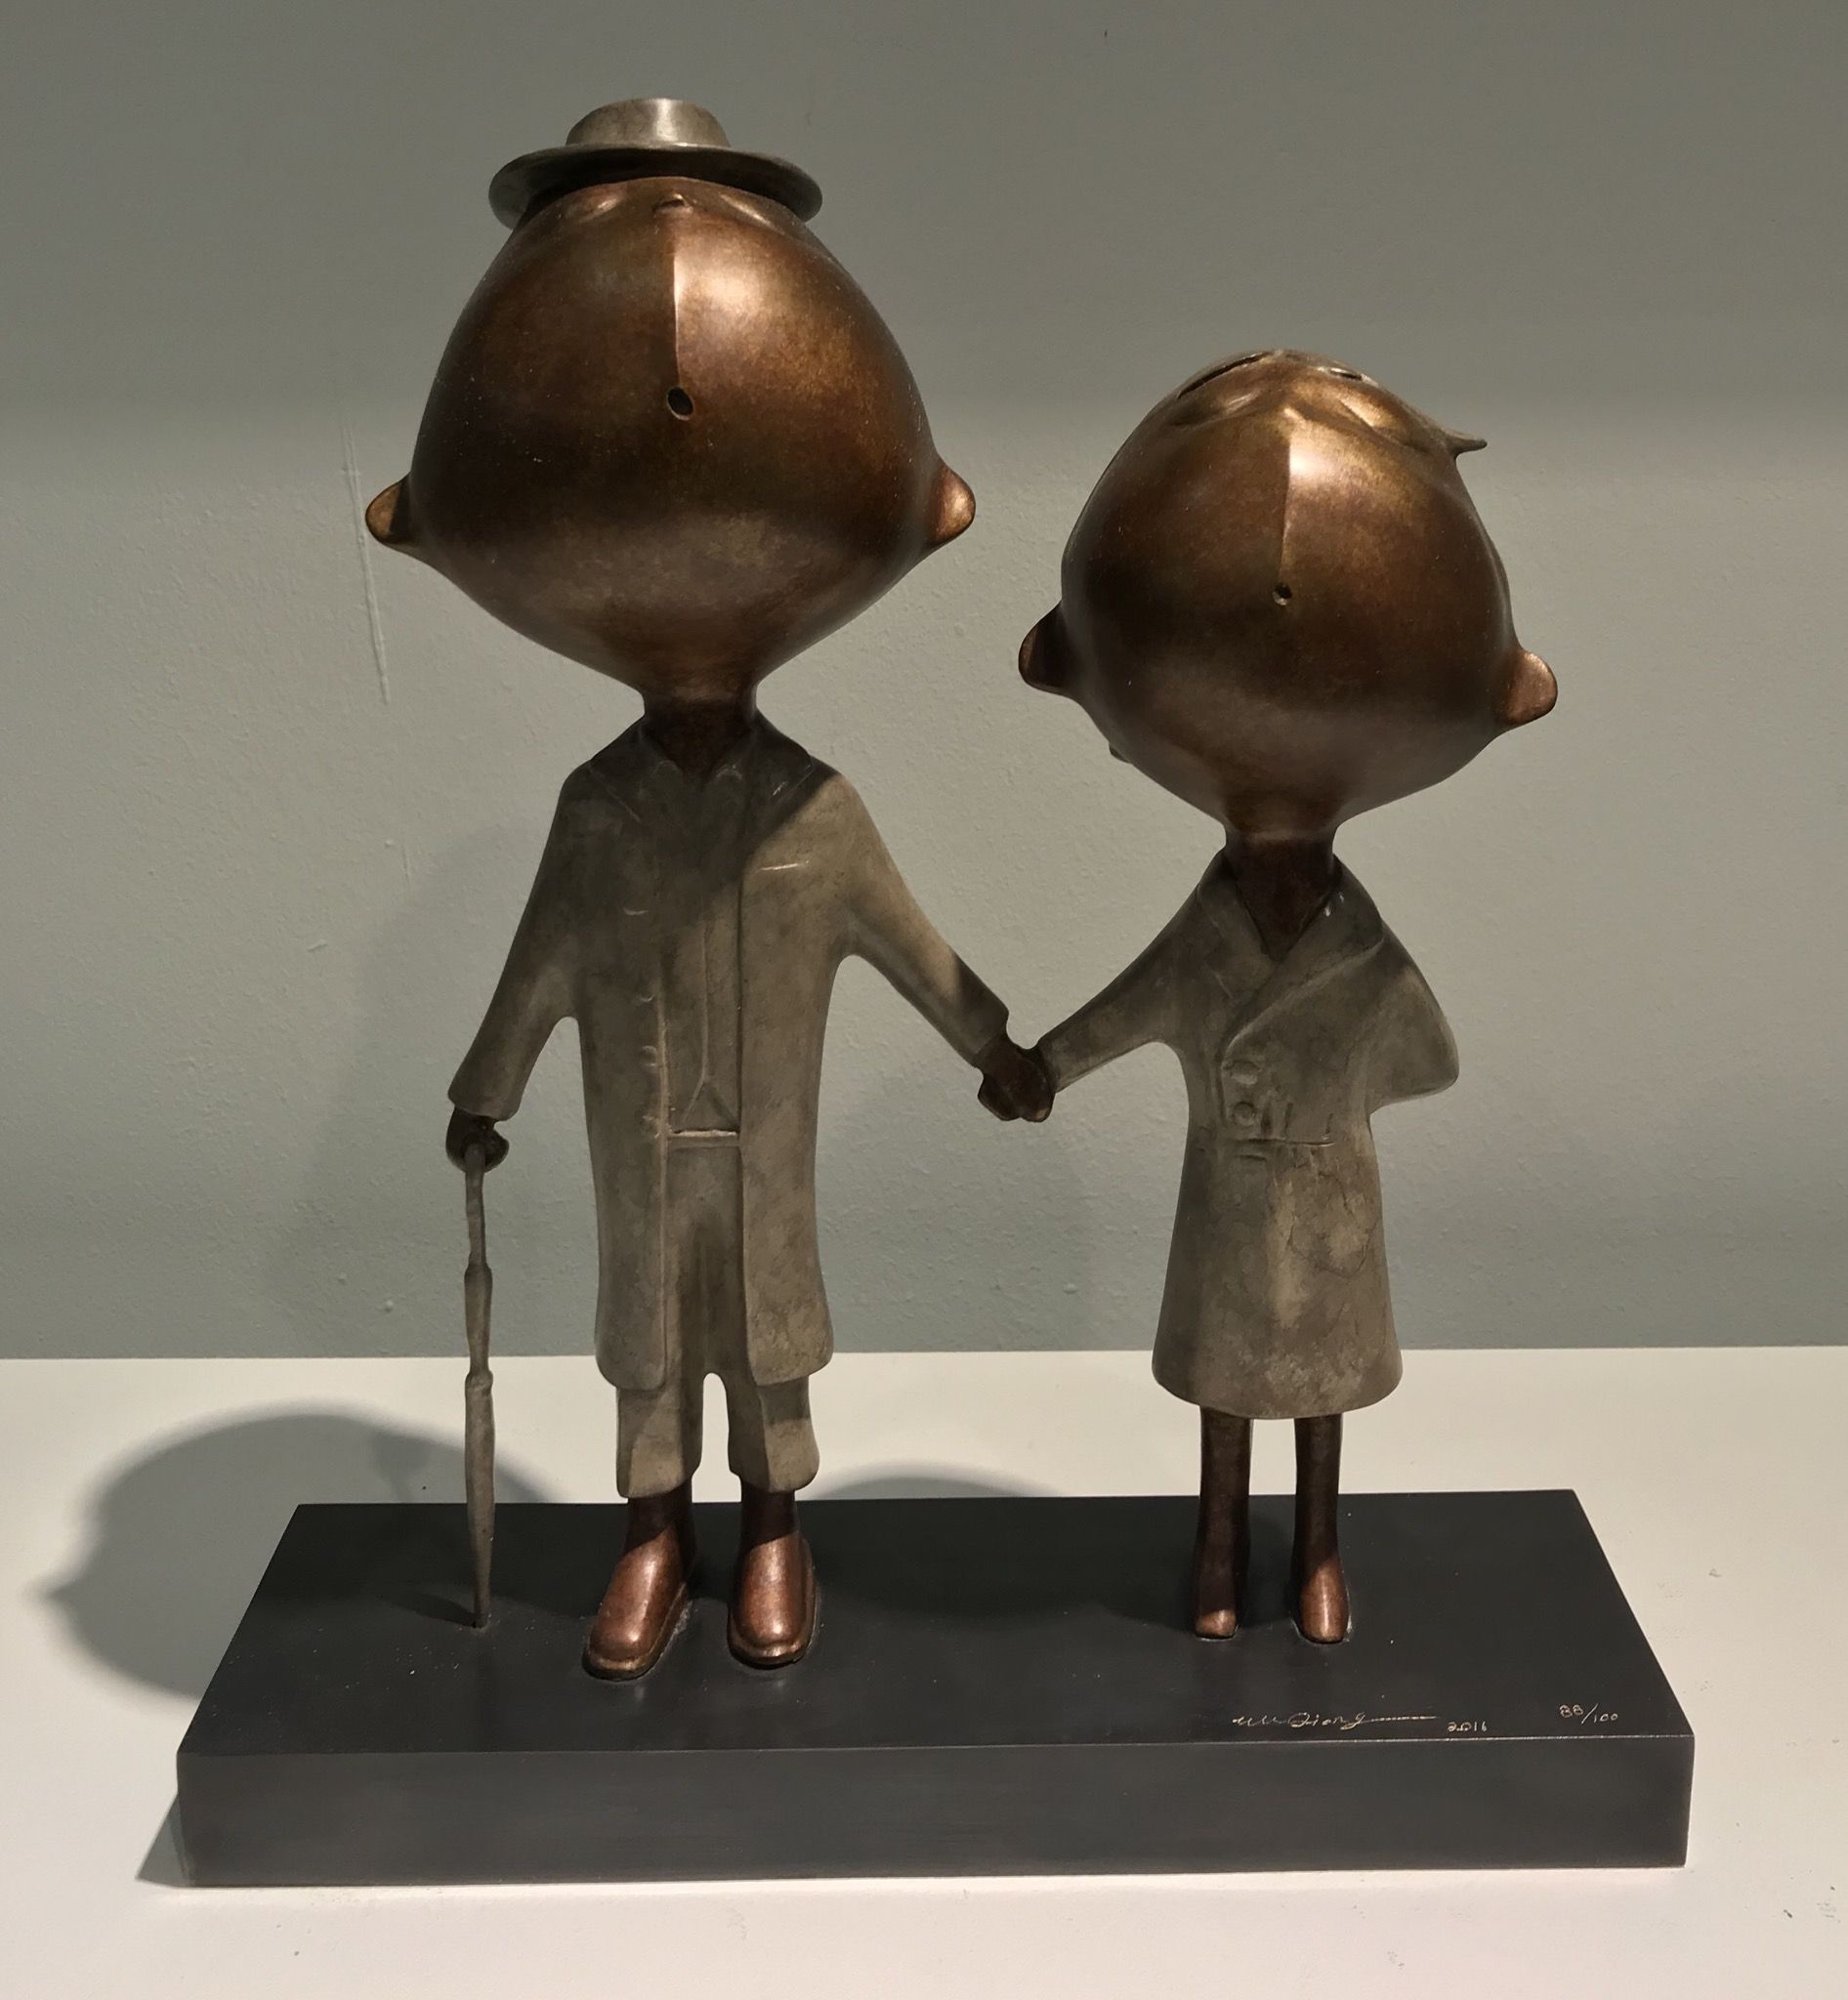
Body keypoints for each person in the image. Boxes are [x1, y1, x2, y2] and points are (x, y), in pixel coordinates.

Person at [369, 99, 1048, 1678]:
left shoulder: (814, 811)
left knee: (771, 1326)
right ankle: (652, 1532)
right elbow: (540, 967)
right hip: (643, 1133)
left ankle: (776, 1528)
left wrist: (1000, 1047)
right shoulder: (599, 812)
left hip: (763, 1136)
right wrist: (486, 1091)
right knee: (648, 1334)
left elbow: (914, 947)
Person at [1002, 351, 1554, 1641]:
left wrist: (1306, 1108)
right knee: (1228, 1384)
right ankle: (1215, 1543)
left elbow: (1425, 1054)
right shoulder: (1218, 935)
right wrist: (1044, 1066)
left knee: (1319, 1388)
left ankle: (1316, 1548)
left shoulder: (1358, 948)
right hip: (1245, 1187)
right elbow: (1138, 1006)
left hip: (1318, 1193)